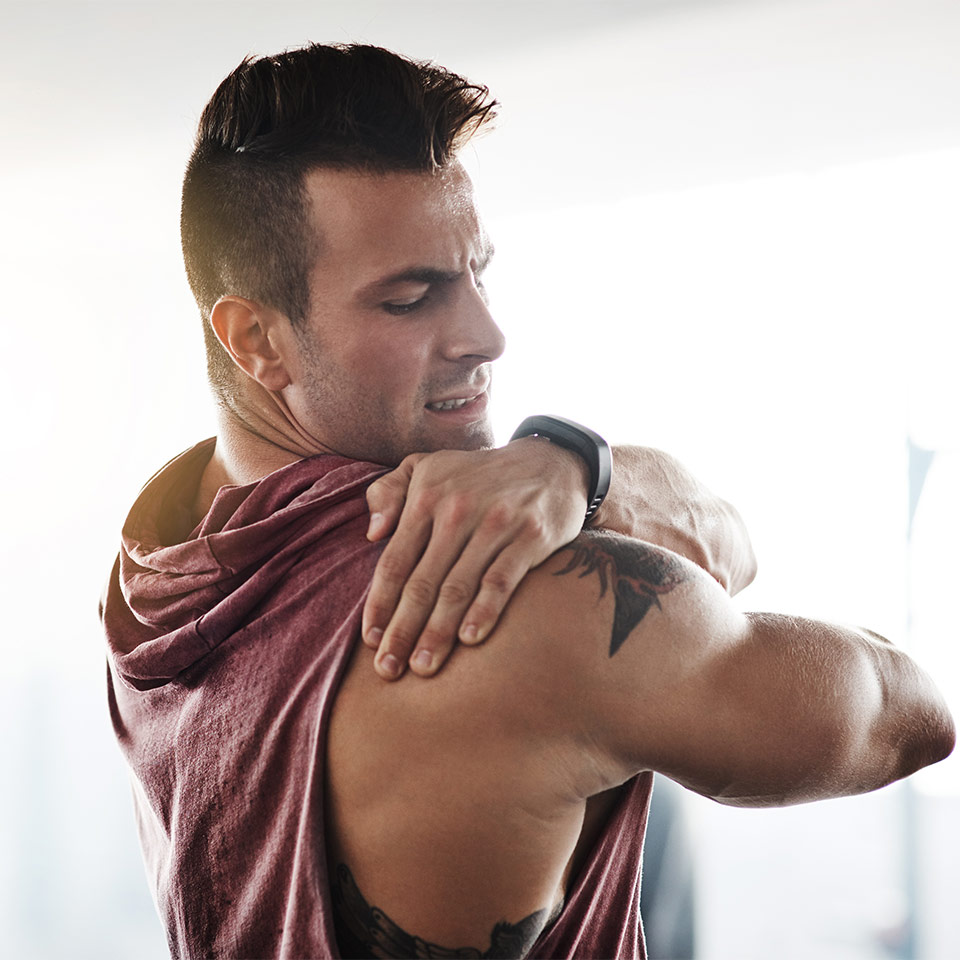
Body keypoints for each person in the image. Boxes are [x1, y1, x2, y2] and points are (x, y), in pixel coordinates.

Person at [101, 43, 954, 960]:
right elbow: (908, 714)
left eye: (477, 273)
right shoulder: (516, 605)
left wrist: (575, 465)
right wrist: (591, 480)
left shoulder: (161, 564)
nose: (486, 334)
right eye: (411, 299)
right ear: (256, 339)